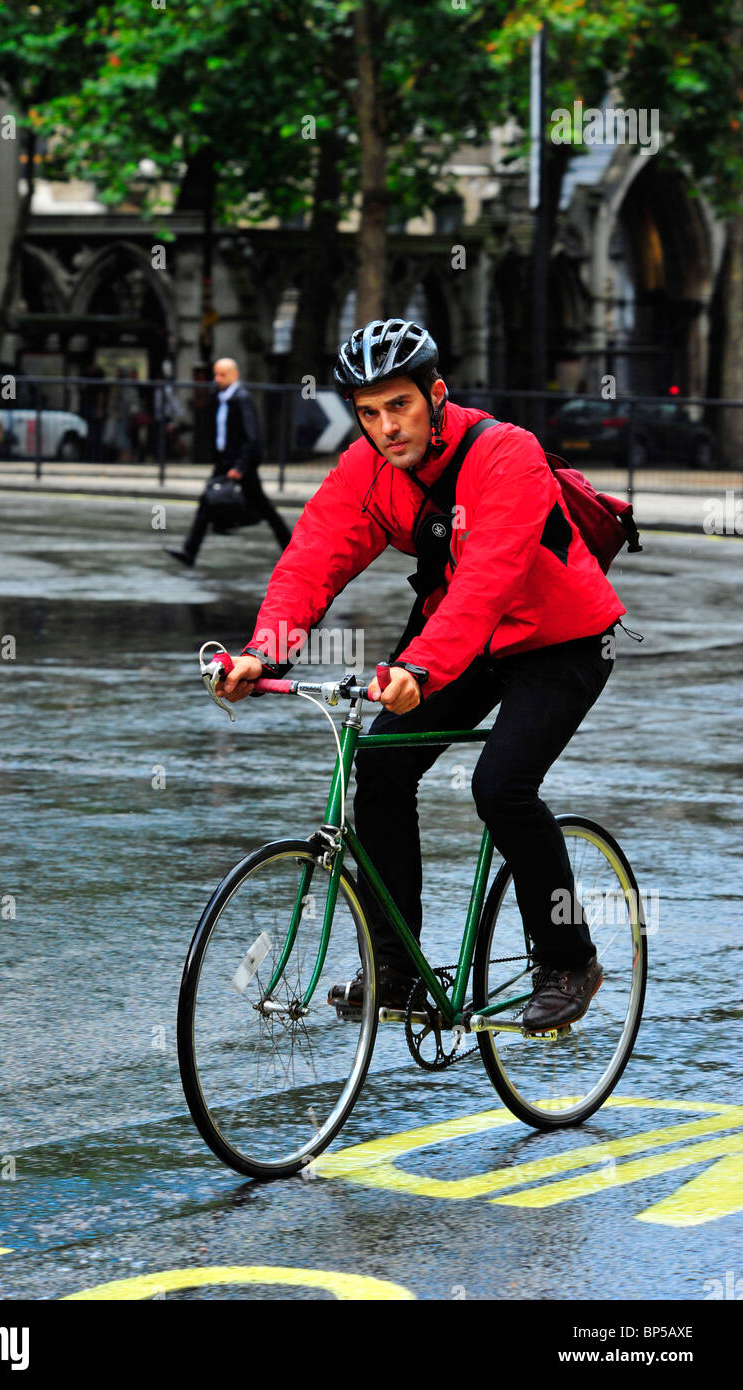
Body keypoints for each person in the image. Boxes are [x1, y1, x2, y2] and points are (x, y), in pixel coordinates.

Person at [216, 318, 627, 1032]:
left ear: (435, 395)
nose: (384, 427)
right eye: (367, 412)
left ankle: (567, 960)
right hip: (461, 642)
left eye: (397, 405)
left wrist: (419, 666)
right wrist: (262, 649)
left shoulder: (506, 454)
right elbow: (315, 556)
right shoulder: (368, 468)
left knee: (499, 787)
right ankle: (398, 972)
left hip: (560, 639)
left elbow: (489, 578)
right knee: (378, 768)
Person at [167, 357, 291, 566]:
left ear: (235, 376)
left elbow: (252, 436)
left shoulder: (241, 399)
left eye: (222, 375)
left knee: (264, 508)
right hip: (225, 462)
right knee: (207, 501)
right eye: (215, 374)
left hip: (240, 464)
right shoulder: (221, 397)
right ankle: (190, 551)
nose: (217, 379)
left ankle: (291, 550)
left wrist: (240, 466)